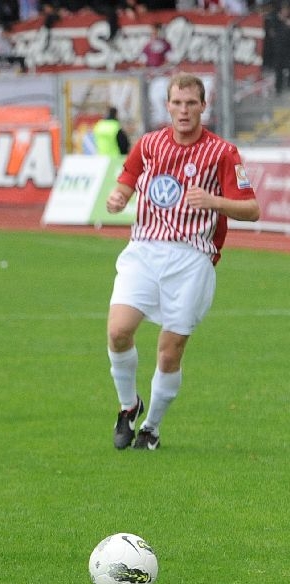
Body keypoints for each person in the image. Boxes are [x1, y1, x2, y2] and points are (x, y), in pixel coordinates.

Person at [105, 73, 259, 451]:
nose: (184, 110)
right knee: (118, 331)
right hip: (144, 249)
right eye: (178, 103)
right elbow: (127, 180)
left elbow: (252, 209)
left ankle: (151, 427)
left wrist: (215, 202)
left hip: (191, 258)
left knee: (170, 349)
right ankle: (128, 406)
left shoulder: (222, 153)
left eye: (192, 103)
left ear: (203, 106)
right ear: (168, 105)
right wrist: (118, 197)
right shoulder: (149, 145)